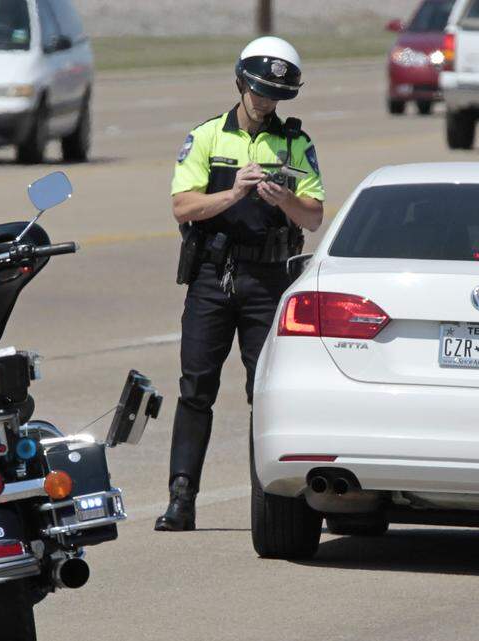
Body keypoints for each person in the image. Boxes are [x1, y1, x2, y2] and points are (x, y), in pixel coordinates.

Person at [156, 36, 325, 531]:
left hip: (267, 280)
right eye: (259, 92)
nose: (265, 102)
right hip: (212, 277)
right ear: (240, 84)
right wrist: (233, 194)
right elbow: (183, 206)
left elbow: (313, 217)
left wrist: (282, 201)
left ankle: (270, 500)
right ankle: (180, 499)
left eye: (275, 95)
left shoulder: (296, 144)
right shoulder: (207, 136)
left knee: (264, 391)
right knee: (195, 389)